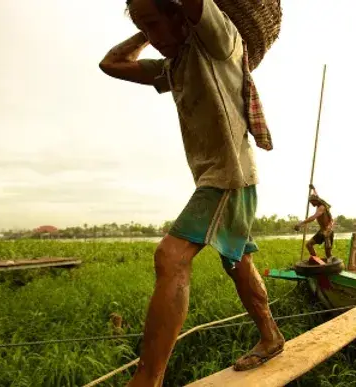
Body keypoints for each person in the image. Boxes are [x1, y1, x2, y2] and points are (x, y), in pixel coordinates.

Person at [99, 0, 284, 384]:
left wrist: (167, 16)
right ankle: (270, 336)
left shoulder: (218, 42)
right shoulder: (175, 65)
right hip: (222, 178)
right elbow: (111, 64)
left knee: (171, 258)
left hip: (227, 176)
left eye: (154, 23)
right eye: (144, 29)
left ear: (181, 16)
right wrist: (146, 27)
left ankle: (147, 379)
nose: (151, 35)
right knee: (237, 262)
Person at [294, 185, 335, 259]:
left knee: (328, 253)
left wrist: (301, 224)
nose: (311, 204)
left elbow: (313, 218)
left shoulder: (321, 207)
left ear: (316, 201)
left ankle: (331, 263)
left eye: (312, 202)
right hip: (321, 230)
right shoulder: (318, 202)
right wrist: (313, 188)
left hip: (328, 231)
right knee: (309, 245)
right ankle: (316, 261)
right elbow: (316, 195)